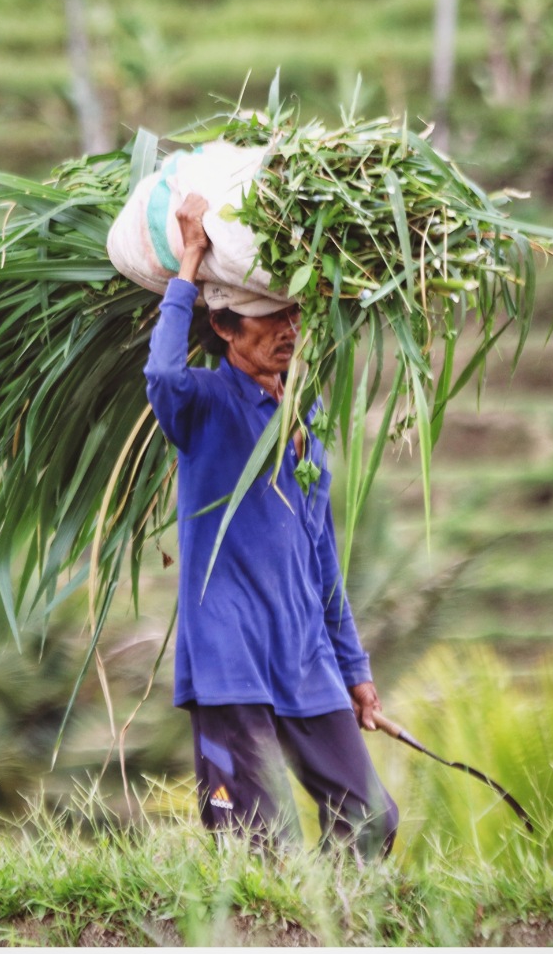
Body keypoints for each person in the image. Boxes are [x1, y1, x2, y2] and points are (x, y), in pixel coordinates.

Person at [144, 193, 398, 860]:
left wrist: (355, 667)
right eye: (269, 317)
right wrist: (191, 262)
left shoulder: (305, 424)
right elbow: (161, 373)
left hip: (306, 658)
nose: (289, 329)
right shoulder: (203, 405)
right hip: (231, 662)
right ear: (227, 329)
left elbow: (323, 558)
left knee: (370, 817)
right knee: (259, 847)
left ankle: (334, 926)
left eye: (293, 314)